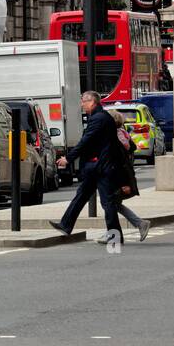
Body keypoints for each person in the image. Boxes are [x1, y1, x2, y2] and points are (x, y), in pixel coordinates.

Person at [49, 92, 125, 250]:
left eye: (83, 102)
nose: (81, 105)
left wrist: (68, 158)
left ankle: (114, 235)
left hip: (101, 167)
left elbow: (86, 141)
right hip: (97, 166)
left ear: (92, 102)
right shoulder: (101, 117)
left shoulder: (99, 119)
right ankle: (66, 224)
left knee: (107, 202)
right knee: (81, 196)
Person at [103, 111, 150, 243]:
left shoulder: (115, 138)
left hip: (119, 178)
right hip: (121, 176)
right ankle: (137, 225)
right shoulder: (123, 134)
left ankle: (138, 224)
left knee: (110, 204)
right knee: (113, 205)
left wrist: (124, 183)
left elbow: (120, 163)